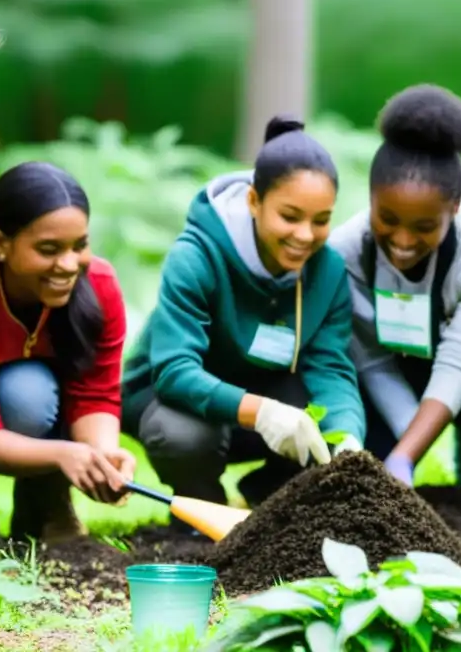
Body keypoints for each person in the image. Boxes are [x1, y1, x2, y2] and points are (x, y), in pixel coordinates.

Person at [121, 116, 365, 518]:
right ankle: (201, 508)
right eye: (290, 217)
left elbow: (332, 369)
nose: (305, 235)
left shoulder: (329, 271)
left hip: (262, 395)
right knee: (182, 435)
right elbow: (174, 370)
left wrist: (347, 441)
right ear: (254, 201)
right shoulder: (196, 256)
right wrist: (263, 412)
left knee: (338, 408)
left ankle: (269, 502)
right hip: (171, 403)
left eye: (321, 221)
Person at [0, 161, 134, 543]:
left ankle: (46, 507)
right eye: (49, 249)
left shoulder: (98, 286)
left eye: (80, 246)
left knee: (28, 395)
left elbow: (96, 393)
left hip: (19, 392)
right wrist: (62, 455)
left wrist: (102, 456)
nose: (69, 265)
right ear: (0, 244)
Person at [328, 84, 461, 491]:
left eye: (423, 227)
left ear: (453, 209)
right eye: (388, 219)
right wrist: (405, 447)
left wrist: (405, 455)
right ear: (370, 200)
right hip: (388, 359)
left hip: (460, 356)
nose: (402, 241)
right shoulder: (344, 253)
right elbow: (369, 360)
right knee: (371, 455)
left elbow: (459, 360)